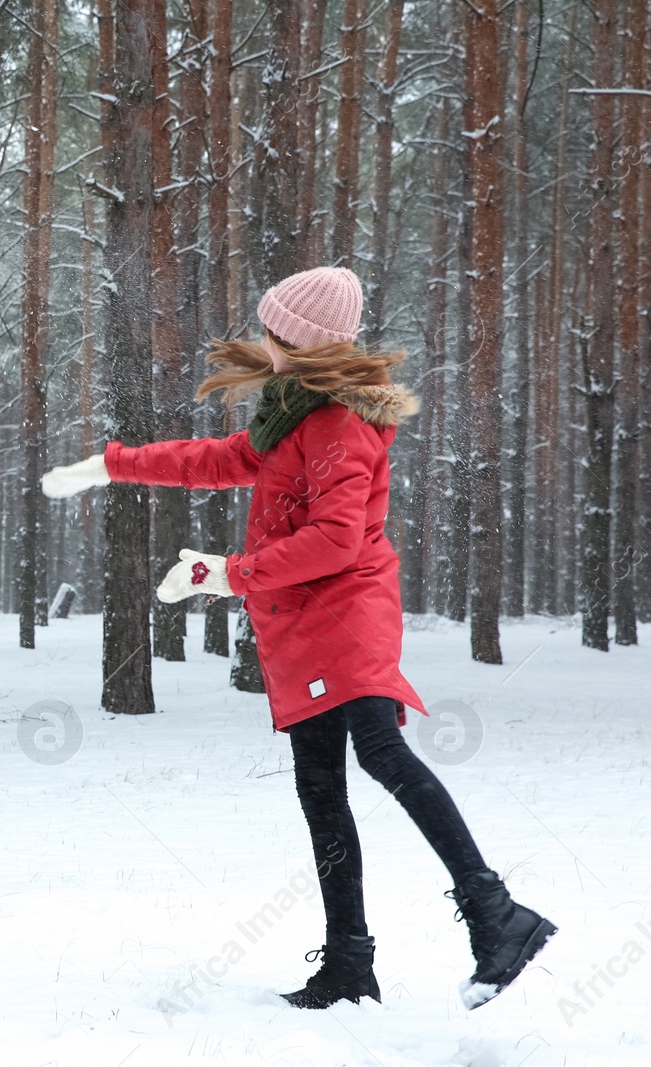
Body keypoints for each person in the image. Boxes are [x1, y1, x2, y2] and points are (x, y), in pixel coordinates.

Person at [42, 267, 556, 1009]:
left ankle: (496, 912)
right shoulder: (292, 413)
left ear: (302, 343)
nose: (265, 342)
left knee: (380, 752)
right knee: (319, 786)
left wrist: (232, 572)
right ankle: (350, 960)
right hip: (302, 627)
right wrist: (113, 464)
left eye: (275, 331)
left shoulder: (340, 424)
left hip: (347, 615)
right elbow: (219, 460)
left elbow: (337, 541)